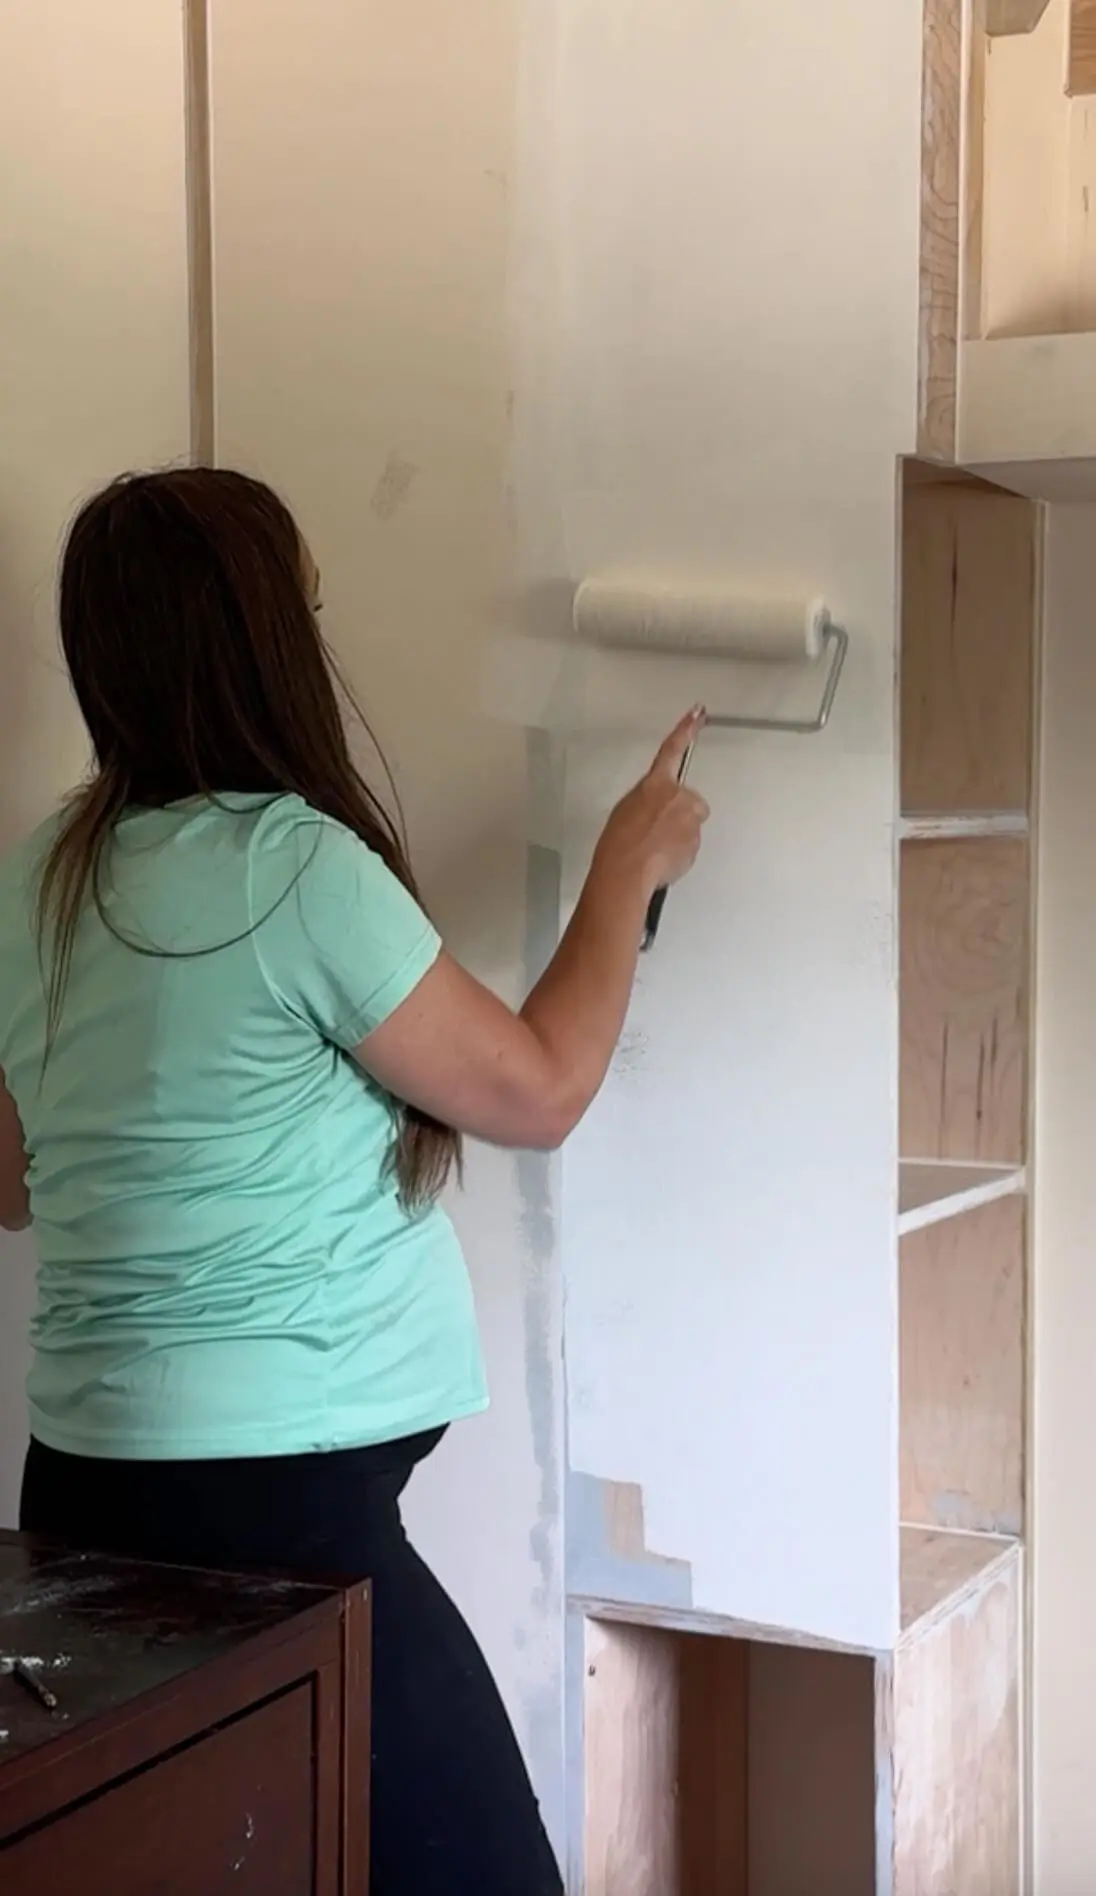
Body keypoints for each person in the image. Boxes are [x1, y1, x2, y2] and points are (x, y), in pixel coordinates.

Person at [0, 467, 708, 1894]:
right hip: (278, 1521)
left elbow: (16, 1184)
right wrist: (623, 872)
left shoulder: (37, 882)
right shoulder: (291, 868)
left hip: (80, 1493)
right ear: (264, 637)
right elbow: (540, 1089)